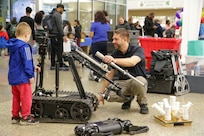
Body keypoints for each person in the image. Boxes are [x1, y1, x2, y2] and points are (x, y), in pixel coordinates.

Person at [98, 28, 149, 114]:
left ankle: (143, 103)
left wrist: (114, 60)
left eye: (116, 39)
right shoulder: (115, 53)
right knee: (108, 96)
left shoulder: (137, 49)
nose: (113, 41)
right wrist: (101, 94)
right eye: (113, 39)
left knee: (140, 82)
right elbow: (109, 74)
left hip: (136, 80)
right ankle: (128, 98)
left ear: (124, 39)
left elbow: (132, 62)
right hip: (122, 82)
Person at [6, 22, 40, 125]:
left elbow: (18, 62)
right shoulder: (25, 47)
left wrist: (34, 68)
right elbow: (27, 62)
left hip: (13, 77)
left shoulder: (13, 45)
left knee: (16, 97)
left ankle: (15, 116)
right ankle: (25, 116)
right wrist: (31, 75)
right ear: (26, 35)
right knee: (26, 98)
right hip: (23, 78)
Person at [89, 11, 111, 81]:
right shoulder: (107, 24)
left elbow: (91, 35)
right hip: (106, 43)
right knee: (104, 59)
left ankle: (96, 75)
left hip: (96, 43)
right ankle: (104, 74)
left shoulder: (94, 24)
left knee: (96, 60)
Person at [49, 4, 68, 71]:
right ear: (59, 8)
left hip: (52, 35)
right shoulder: (57, 15)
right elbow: (59, 26)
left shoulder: (52, 14)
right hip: (57, 34)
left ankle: (53, 64)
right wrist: (63, 35)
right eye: (62, 10)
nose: (62, 11)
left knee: (53, 50)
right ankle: (60, 65)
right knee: (59, 50)